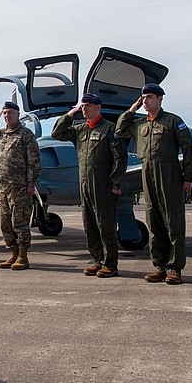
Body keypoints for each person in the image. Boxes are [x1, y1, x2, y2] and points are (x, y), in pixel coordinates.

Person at [115, 83, 192, 285]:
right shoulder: (140, 124)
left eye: (150, 97)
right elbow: (119, 129)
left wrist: (188, 177)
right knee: (154, 221)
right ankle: (159, 266)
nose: (146, 101)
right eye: (143, 98)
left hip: (169, 173)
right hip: (147, 173)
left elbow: (188, 148)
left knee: (173, 222)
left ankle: (175, 268)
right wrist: (132, 109)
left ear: (160, 99)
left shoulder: (173, 121)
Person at [51, 93, 126, 277]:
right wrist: (70, 114)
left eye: (88, 106)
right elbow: (57, 133)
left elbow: (120, 158)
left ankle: (110, 264)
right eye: (83, 106)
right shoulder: (80, 130)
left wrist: (115, 182)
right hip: (85, 183)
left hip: (103, 184)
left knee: (105, 224)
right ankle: (97, 260)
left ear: (98, 108)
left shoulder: (110, 129)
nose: (84, 109)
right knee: (89, 224)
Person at [0, 102, 40, 271]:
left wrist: (31, 183)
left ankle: (23, 256)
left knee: (19, 222)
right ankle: (13, 253)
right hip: (3, 185)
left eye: (10, 112)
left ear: (18, 114)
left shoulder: (25, 135)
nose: (7, 115)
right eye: (5, 113)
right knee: (5, 222)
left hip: (19, 185)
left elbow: (34, 161)